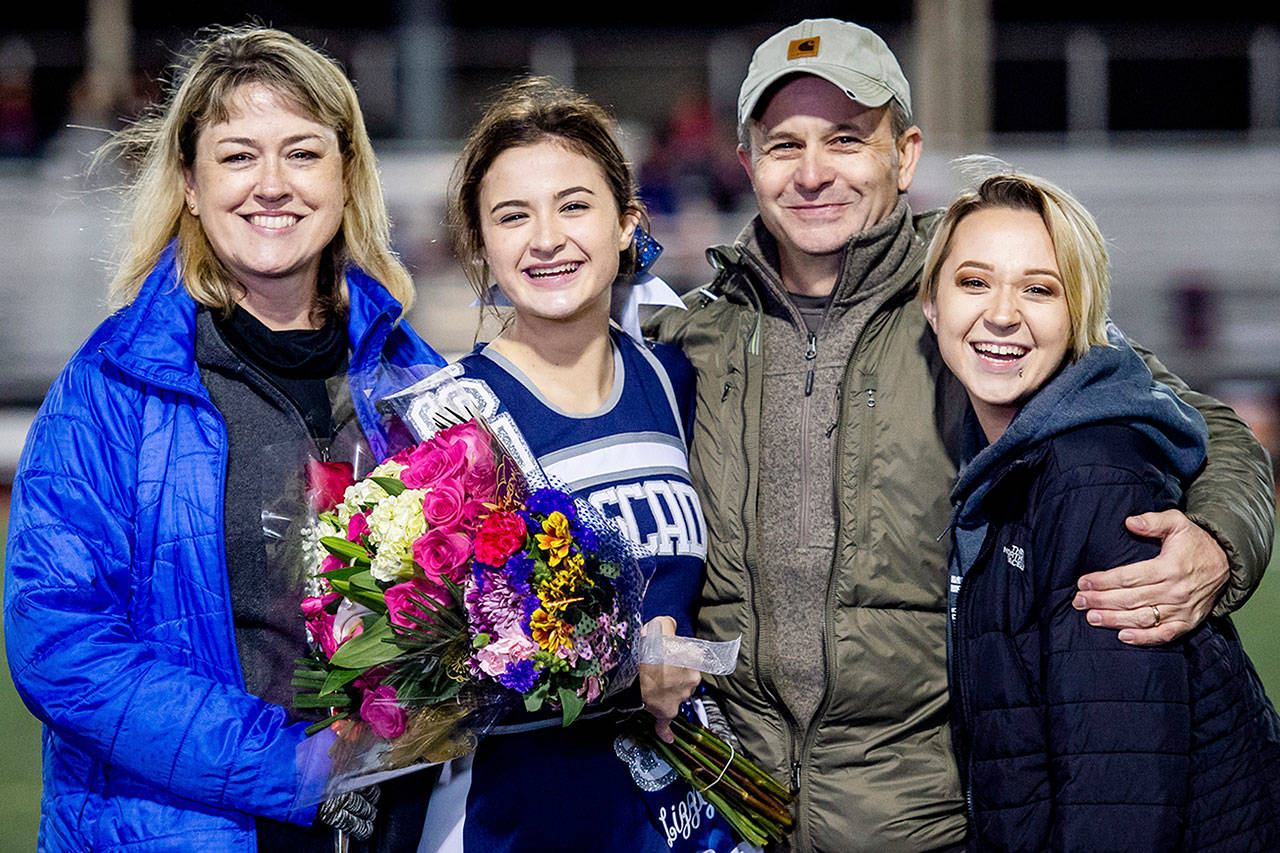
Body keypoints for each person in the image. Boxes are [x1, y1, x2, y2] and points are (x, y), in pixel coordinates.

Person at [649, 18, 1276, 852]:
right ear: (746, 161)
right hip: (727, 818)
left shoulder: (972, 303)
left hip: (928, 824)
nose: (811, 172)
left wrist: (1220, 544)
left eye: (845, 139)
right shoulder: (693, 337)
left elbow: (1208, 426)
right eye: (783, 144)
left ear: (904, 155)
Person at [3, 26, 445, 851]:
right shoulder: (111, 388)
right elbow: (59, 641)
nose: (271, 185)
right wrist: (301, 770)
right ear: (190, 186)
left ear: (347, 176)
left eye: (302, 153)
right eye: (238, 156)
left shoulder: (416, 381)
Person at [923, 168, 1280, 851]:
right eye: (974, 281)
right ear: (932, 304)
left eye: (1039, 288)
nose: (1002, 312)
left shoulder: (1092, 477)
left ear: (1085, 319)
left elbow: (1119, 797)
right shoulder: (1012, 453)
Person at [417, 78, 717, 853]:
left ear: (627, 224)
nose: (546, 237)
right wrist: (621, 672)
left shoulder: (670, 378)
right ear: (481, 246)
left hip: (679, 819)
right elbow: (430, 685)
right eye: (513, 216)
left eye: (574, 205)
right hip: (521, 825)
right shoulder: (452, 417)